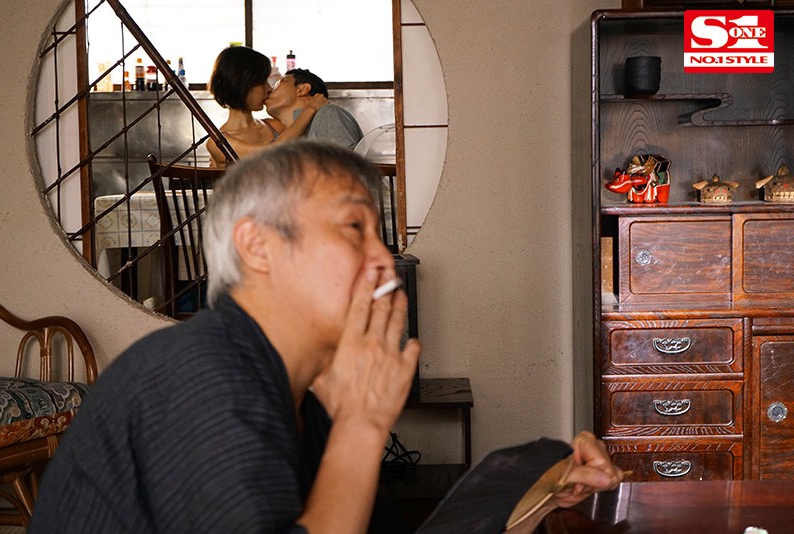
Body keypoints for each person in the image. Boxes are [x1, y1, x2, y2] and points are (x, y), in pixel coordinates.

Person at [30, 141, 624, 533]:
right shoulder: (198, 374)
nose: (385, 263)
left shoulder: (297, 400)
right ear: (258, 245)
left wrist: (544, 485)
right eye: (353, 227)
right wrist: (362, 425)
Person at [205, 46, 327, 167]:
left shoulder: (274, 125)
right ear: (244, 83)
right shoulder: (217, 142)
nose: (269, 88)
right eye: (262, 82)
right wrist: (310, 109)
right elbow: (270, 155)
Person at [265, 68, 364, 150]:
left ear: (302, 89)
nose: (269, 90)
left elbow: (347, 164)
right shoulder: (280, 135)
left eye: (277, 83)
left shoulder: (327, 114)